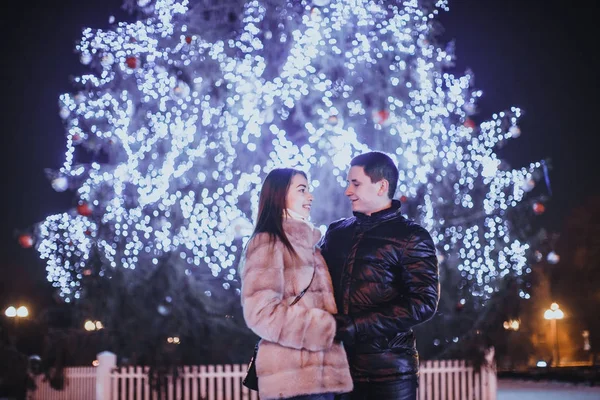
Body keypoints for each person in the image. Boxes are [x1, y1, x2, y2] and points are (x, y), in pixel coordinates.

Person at [319, 152, 440, 400]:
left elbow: (423, 302)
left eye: (356, 183)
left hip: (389, 374)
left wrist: (356, 326)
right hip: (337, 369)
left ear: (381, 186)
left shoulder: (412, 237)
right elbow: (311, 282)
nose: (347, 191)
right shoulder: (336, 233)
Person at [239, 168, 353, 400]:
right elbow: (261, 313)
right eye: (302, 190)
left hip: (323, 380)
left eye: (308, 190)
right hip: (292, 380)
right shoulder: (268, 243)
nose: (310, 196)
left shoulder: (309, 246)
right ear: (279, 195)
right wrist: (324, 327)